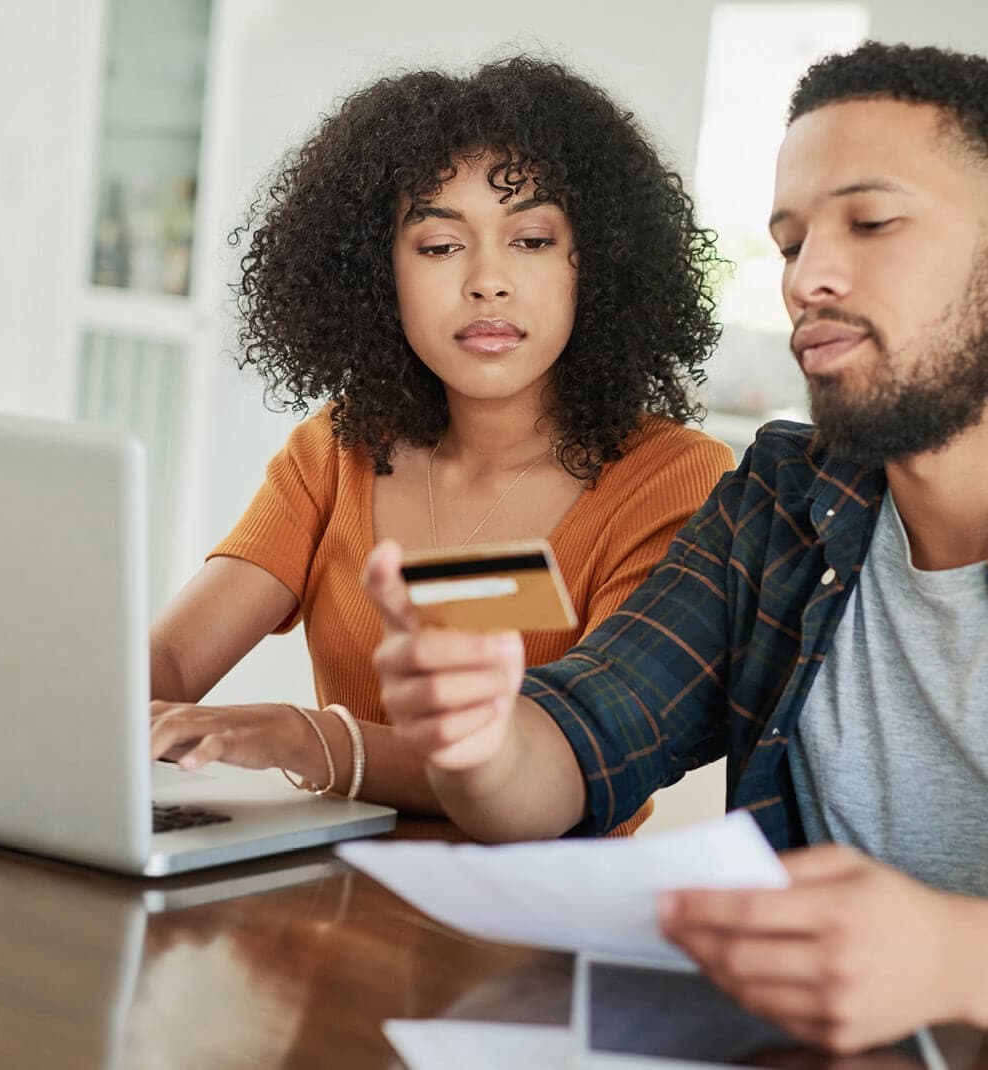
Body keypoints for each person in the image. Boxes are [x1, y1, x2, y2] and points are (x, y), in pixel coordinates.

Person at [360, 42, 988, 1067]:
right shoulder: (782, 502)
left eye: (871, 222)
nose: (810, 277)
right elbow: (570, 756)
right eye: (791, 240)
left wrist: (944, 954)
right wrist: (483, 735)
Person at [145, 56, 735, 828]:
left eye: (530, 240)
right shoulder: (338, 448)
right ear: (373, 273)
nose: (487, 281)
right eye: (438, 246)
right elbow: (178, 660)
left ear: (596, 265)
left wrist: (310, 739)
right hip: (324, 903)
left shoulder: (675, 477)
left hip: (540, 920)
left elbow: (572, 761)